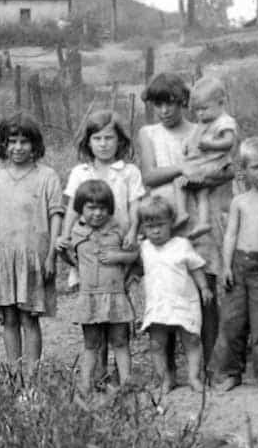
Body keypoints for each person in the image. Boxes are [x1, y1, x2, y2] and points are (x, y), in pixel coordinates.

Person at [136, 73, 233, 377]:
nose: (164, 111)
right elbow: (149, 176)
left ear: (184, 103)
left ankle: (209, 367)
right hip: (163, 219)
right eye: (158, 105)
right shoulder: (149, 133)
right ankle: (170, 371)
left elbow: (226, 170)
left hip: (198, 214)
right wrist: (183, 169)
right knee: (166, 290)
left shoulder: (201, 129)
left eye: (171, 104)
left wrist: (201, 175)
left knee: (205, 288)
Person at [57, 110, 145, 384]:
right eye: (98, 138)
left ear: (120, 141)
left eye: (110, 138)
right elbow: (72, 208)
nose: (104, 143)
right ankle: (97, 375)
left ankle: (121, 377)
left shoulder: (128, 171)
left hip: (119, 241)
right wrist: (64, 235)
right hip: (89, 245)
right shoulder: (81, 172)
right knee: (95, 313)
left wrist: (132, 231)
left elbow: (135, 205)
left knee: (116, 306)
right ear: (88, 141)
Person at [0, 115, 64, 370]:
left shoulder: (47, 176)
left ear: (34, 144)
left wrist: (51, 255)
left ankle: (32, 378)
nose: (18, 147)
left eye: (24, 141)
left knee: (29, 319)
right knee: (9, 319)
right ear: (2, 144)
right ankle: (15, 375)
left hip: (33, 257)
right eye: (11, 141)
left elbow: (56, 215)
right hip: (3, 258)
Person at [214, 136, 258, 391]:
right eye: (255, 167)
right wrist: (226, 266)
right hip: (239, 264)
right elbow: (231, 233)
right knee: (232, 321)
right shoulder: (240, 201)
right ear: (244, 171)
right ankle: (229, 372)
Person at [61, 180, 138, 395]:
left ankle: (126, 381)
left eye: (102, 208)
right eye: (91, 208)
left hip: (115, 295)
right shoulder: (76, 232)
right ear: (80, 209)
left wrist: (118, 256)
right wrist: (61, 251)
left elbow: (135, 255)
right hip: (90, 297)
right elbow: (72, 259)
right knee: (91, 343)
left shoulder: (117, 229)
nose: (97, 213)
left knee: (120, 341)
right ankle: (86, 383)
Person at [136, 195, 214, 394]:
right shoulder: (144, 248)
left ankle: (194, 377)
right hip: (158, 303)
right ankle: (165, 379)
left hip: (183, 301)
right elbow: (138, 270)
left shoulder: (181, 244)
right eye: (150, 226)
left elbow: (196, 267)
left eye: (160, 225)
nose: (155, 230)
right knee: (157, 343)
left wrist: (204, 287)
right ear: (143, 227)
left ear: (171, 223)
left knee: (191, 339)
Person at [179, 76, 238, 237]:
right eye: (197, 110)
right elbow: (194, 137)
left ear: (220, 103)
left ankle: (181, 212)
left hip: (218, 165)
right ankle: (203, 222)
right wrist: (186, 143)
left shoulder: (224, 121)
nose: (200, 113)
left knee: (181, 181)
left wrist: (211, 145)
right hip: (207, 166)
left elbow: (229, 142)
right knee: (202, 191)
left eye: (204, 108)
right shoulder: (204, 122)